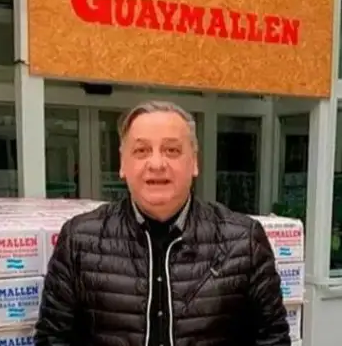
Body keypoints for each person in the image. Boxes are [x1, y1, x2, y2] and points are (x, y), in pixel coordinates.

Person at [34, 100, 291, 346]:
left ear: (195, 162)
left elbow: (272, 339)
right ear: (122, 164)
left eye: (172, 150)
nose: (157, 164)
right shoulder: (79, 240)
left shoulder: (244, 241)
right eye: (141, 151)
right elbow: (52, 338)